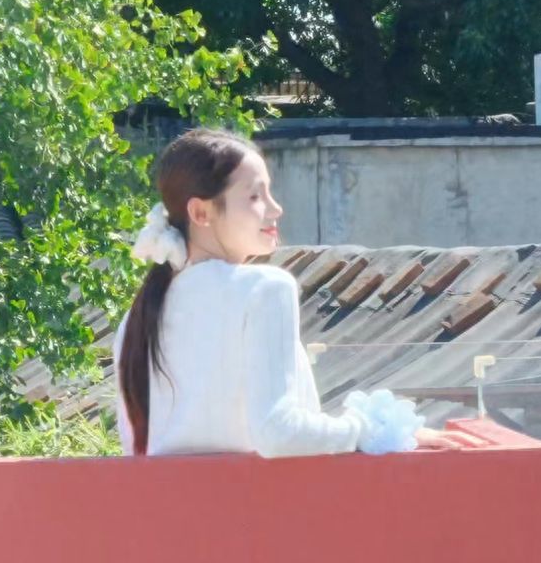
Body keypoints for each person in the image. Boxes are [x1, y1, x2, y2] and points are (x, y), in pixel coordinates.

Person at [115, 128, 452, 458]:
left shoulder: (140, 314)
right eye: (255, 196)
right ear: (201, 212)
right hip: (261, 509)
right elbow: (278, 432)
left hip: (171, 511)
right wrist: (370, 430)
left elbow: (139, 448)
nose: (275, 209)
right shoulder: (264, 288)